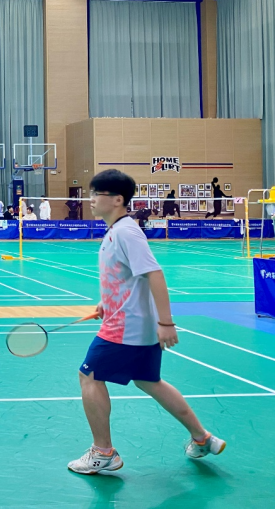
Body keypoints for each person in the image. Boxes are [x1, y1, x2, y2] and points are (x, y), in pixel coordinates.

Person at [68, 169, 225, 475]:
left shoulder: (126, 232)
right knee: (148, 381)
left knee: (89, 376)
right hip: (133, 324)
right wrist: (107, 302)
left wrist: (166, 323)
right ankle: (202, 438)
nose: (91, 199)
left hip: (125, 328)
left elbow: (154, 274)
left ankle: (103, 452)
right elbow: (129, 277)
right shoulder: (117, 231)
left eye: (96, 194)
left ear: (117, 199)